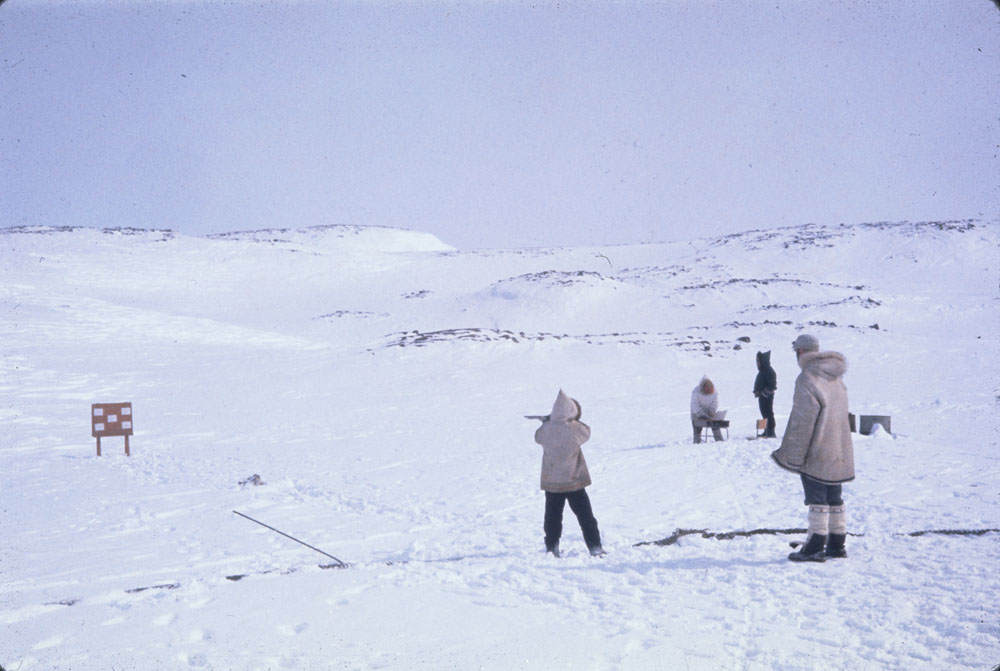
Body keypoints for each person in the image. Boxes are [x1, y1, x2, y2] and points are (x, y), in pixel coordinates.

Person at [771, 334, 855, 562]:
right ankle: (837, 543)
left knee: (816, 494)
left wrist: (793, 455)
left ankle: (816, 543)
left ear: (800, 352)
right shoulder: (835, 377)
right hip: (838, 446)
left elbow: (803, 419)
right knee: (833, 494)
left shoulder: (808, 378)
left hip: (817, 447)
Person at [533, 390, 604, 558]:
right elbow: (587, 432)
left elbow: (537, 437)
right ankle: (595, 548)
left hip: (552, 483)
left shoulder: (546, 430)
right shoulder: (575, 429)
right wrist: (571, 420)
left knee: (552, 518)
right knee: (586, 517)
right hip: (574, 482)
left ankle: (552, 548)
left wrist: (547, 422)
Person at [690, 376, 725, 443]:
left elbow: (715, 403)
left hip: (709, 414)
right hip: (696, 414)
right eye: (707, 391)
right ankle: (696, 444)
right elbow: (694, 405)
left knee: (715, 426)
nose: (709, 393)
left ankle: (720, 442)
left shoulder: (715, 392)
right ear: (704, 388)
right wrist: (701, 414)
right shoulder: (696, 391)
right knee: (697, 430)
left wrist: (712, 411)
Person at [753, 351, 778, 438]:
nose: (757, 363)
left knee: (768, 413)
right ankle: (766, 430)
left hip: (767, 396)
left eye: (758, 361)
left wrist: (764, 394)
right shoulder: (764, 370)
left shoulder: (769, 371)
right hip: (762, 396)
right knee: (764, 413)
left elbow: (772, 385)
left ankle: (770, 431)